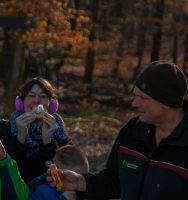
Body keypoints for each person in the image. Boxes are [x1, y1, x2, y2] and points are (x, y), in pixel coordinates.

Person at [47, 61, 188, 200]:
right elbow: (114, 181)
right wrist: (81, 182)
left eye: (143, 98)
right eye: (135, 95)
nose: (134, 103)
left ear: (167, 103)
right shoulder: (132, 131)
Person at [0, 77, 71, 183]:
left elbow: (66, 173)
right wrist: (20, 137)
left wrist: (47, 142)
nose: (36, 101)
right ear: (21, 103)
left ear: (51, 104)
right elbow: (3, 169)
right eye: (31, 96)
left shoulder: (59, 132)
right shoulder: (3, 130)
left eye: (43, 96)